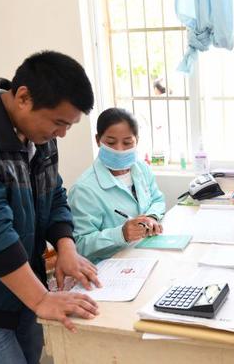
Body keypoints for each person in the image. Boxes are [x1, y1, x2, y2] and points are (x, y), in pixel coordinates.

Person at [0, 51, 100, 364]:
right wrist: (40, 298)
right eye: (59, 123)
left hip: (23, 293)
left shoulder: (39, 133)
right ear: (24, 97)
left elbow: (53, 194)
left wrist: (66, 247)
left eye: (69, 125)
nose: (62, 134)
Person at [68, 107, 165, 263]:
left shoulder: (141, 168)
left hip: (143, 254)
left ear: (137, 141)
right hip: (108, 266)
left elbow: (157, 200)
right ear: (98, 140)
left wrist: (151, 217)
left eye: (127, 142)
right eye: (111, 142)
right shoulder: (84, 189)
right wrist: (121, 234)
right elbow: (79, 244)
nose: (119, 149)